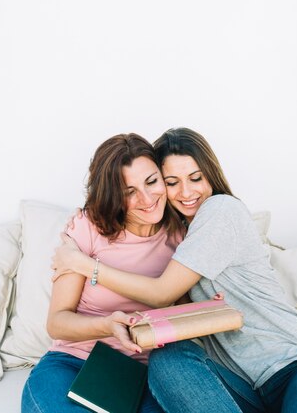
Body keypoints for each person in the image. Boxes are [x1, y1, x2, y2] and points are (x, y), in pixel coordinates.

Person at [51, 127, 297, 413]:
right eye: (172, 182)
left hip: (296, 367)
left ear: (211, 175)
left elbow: (161, 294)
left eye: (196, 178)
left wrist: (83, 264)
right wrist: (85, 222)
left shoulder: (221, 210)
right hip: (237, 386)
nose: (186, 192)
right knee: (168, 359)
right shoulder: (177, 235)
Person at [21, 133, 182, 413]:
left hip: (144, 377)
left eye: (152, 181)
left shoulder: (181, 236)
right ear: (113, 196)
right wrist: (107, 325)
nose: (147, 198)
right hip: (74, 363)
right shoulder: (88, 227)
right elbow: (57, 323)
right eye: (129, 191)